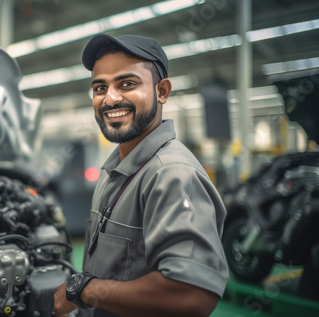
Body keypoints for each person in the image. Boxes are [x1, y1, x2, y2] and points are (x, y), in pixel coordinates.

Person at [54, 34, 229, 317]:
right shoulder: (115, 170)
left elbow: (192, 295)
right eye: (100, 87)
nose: (110, 98)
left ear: (162, 91)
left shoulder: (171, 174)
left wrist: (85, 290)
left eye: (127, 84)